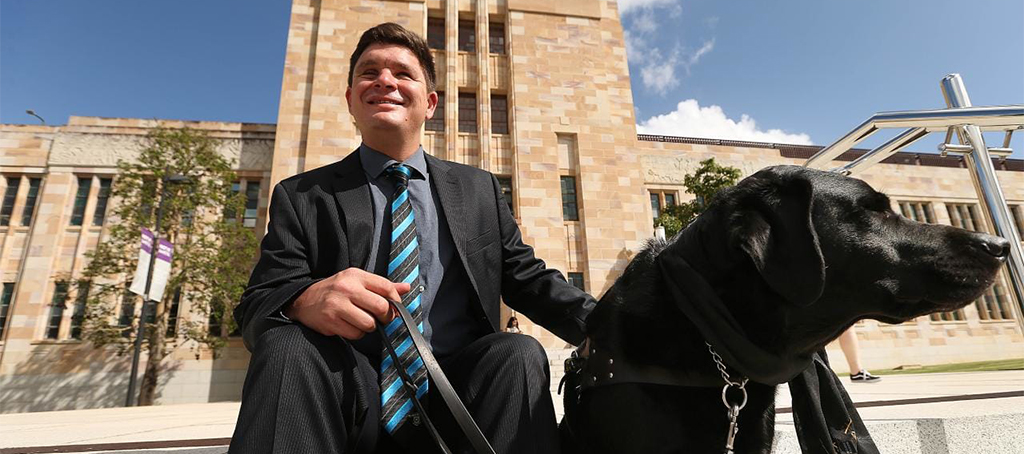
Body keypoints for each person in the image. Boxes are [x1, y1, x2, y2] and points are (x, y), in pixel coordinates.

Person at [228, 23, 596, 454]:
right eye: (369, 73)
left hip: (459, 395)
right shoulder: (303, 195)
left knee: (517, 352)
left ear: (430, 103)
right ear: (351, 99)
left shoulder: (478, 189)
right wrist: (302, 300)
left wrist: (617, 324)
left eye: (402, 73)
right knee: (288, 343)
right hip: (347, 393)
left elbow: (529, 279)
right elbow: (258, 305)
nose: (385, 80)